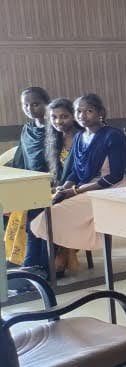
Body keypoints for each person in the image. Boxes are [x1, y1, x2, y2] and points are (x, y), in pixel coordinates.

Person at [32, 93, 126, 254]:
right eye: (78, 111)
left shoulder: (113, 135)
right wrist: (64, 188)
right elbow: (75, 171)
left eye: (88, 111)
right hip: (88, 187)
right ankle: (51, 262)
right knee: (43, 206)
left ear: (101, 113)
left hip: (114, 188)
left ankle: (56, 262)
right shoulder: (80, 136)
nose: (82, 116)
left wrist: (75, 191)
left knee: (52, 214)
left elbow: (116, 175)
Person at [5, 87, 51, 275]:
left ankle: (36, 264)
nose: (30, 108)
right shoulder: (28, 129)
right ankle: (16, 259)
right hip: (28, 182)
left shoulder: (54, 128)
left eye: (35, 104)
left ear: (46, 104)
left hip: (48, 184)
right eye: (26, 105)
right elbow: (21, 158)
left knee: (34, 211)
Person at [39, 98, 83, 274]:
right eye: (54, 117)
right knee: (31, 207)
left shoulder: (84, 137)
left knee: (55, 209)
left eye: (64, 116)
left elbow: (85, 172)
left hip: (81, 187)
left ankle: (62, 255)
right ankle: (41, 260)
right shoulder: (54, 140)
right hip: (62, 187)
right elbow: (57, 173)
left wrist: (66, 189)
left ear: (74, 116)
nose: (59, 121)